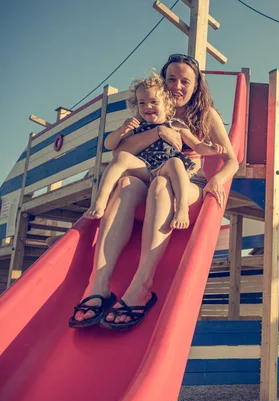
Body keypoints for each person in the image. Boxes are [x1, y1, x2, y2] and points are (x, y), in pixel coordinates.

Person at [69, 54, 239, 329]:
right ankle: (98, 284)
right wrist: (159, 132)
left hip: (186, 184)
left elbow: (232, 160)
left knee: (161, 184)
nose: (177, 86)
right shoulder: (151, 110)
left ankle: (142, 285)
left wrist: (217, 179)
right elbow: (121, 153)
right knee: (125, 183)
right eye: (171, 79)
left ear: (196, 86)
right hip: (147, 175)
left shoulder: (205, 115)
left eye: (186, 81)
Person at [83, 72, 225, 229]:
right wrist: (121, 131)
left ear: (166, 103)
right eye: (141, 103)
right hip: (145, 169)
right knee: (122, 156)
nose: (147, 107)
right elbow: (110, 145)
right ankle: (100, 200)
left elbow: (197, 146)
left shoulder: (176, 125)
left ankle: (182, 207)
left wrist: (211, 149)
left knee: (176, 163)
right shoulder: (137, 125)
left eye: (153, 102)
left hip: (165, 169)